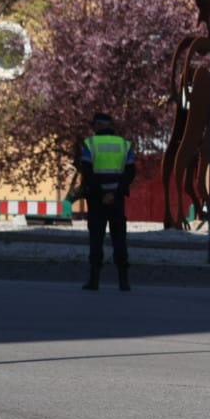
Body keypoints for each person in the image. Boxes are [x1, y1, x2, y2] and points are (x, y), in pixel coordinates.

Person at [78, 113, 136, 292]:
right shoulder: (124, 145)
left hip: (96, 199)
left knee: (96, 238)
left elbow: (87, 171)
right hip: (117, 199)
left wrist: (101, 193)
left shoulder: (90, 144)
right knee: (119, 238)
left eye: (94, 124)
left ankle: (94, 281)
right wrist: (114, 193)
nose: (92, 128)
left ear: (99, 125)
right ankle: (123, 281)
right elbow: (130, 172)